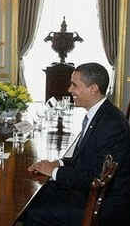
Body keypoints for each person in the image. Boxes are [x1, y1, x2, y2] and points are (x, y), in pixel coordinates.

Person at [24, 63, 130, 225]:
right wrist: (56, 163)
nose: (69, 90)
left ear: (93, 88)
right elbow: (83, 158)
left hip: (103, 205)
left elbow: (94, 177)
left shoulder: (111, 124)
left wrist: (54, 172)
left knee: (33, 212)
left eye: (74, 85)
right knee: (34, 195)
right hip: (91, 192)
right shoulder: (98, 114)